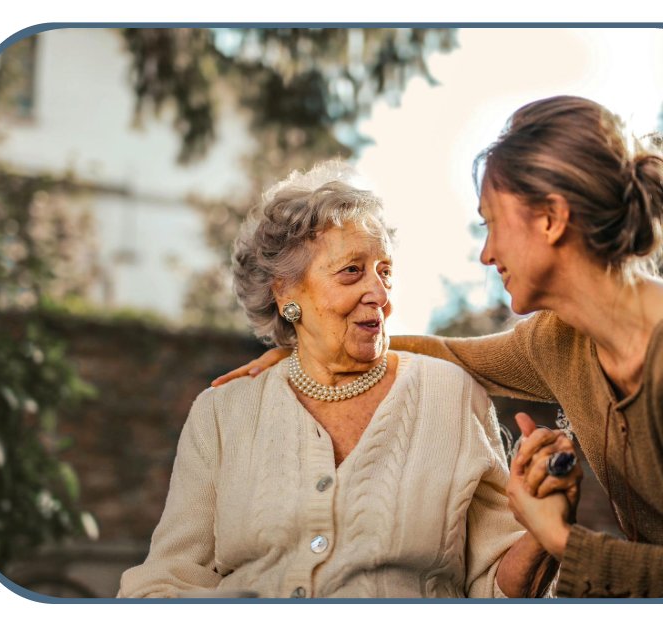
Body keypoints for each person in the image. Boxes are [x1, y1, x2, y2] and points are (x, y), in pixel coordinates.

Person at [213, 96, 663, 597]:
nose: (487, 253)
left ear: (552, 219)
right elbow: (453, 353)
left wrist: (560, 538)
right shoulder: (558, 342)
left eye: (491, 223)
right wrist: (314, 347)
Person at [118, 162, 565, 599]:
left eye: (385, 271)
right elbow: (166, 582)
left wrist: (544, 533)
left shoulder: (451, 396)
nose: (381, 294)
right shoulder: (222, 413)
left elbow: (496, 591)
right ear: (286, 291)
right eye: (352, 270)